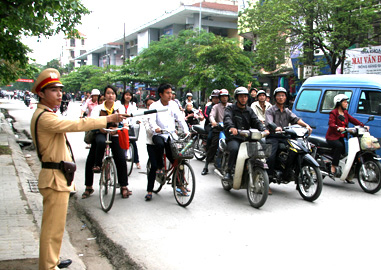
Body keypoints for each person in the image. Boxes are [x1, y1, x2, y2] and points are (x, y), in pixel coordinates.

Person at [30, 69, 126, 270]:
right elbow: (77, 124)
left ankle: (53, 260)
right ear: (41, 93)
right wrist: (108, 119)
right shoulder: (45, 117)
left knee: (56, 227)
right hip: (54, 178)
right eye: (53, 90)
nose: (59, 94)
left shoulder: (47, 114)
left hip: (59, 176)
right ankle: (47, 266)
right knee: (51, 227)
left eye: (60, 90)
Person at [83, 85, 132, 199]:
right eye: (108, 93)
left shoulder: (119, 107)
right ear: (104, 95)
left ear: (116, 96)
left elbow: (126, 121)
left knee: (120, 158)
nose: (111, 95)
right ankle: (89, 184)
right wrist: (101, 129)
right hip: (101, 132)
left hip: (114, 134)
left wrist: (123, 126)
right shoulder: (98, 108)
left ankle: (124, 186)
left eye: (113, 93)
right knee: (92, 155)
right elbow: (94, 121)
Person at [265, 87, 312, 187]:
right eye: (279, 95)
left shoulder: (287, 111)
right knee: (271, 156)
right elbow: (269, 122)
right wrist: (276, 127)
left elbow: (296, 119)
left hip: (285, 137)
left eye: (283, 95)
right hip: (273, 137)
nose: (281, 97)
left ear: (285, 97)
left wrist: (306, 125)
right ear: (275, 97)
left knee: (296, 150)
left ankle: (289, 172)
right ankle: (267, 180)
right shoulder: (270, 110)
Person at [223, 87, 269, 181]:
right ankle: (228, 171)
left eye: (245, 96)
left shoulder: (249, 110)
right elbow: (227, 118)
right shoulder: (230, 108)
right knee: (234, 149)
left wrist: (264, 129)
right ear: (236, 98)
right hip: (234, 137)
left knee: (259, 147)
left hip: (247, 137)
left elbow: (256, 121)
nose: (243, 98)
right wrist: (232, 127)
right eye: (241, 97)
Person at [149, 83, 189, 179]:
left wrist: (186, 130)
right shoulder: (154, 105)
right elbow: (151, 120)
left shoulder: (173, 105)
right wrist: (156, 128)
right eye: (167, 93)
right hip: (159, 134)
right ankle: (160, 166)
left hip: (171, 135)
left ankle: (180, 184)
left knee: (178, 158)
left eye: (171, 93)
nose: (170, 95)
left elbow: (180, 119)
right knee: (160, 144)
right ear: (161, 94)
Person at [325, 94, 366, 182]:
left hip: (341, 137)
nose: (346, 103)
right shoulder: (333, 112)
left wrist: (363, 125)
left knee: (345, 154)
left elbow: (353, 119)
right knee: (339, 147)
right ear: (339, 103)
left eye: (346, 102)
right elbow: (331, 124)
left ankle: (347, 173)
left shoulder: (345, 113)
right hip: (332, 137)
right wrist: (338, 127)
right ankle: (333, 166)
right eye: (344, 102)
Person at [201, 89, 232, 175]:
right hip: (218, 129)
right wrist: (213, 122)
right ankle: (206, 165)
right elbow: (211, 115)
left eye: (226, 96)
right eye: (222, 96)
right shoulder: (215, 107)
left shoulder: (232, 106)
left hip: (230, 130)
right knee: (213, 145)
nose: (224, 98)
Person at [120, 90, 141, 169]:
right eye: (126, 95)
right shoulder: (119, 104)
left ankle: (137, 161)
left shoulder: (133, 105)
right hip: (121, 125)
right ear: (124, 96)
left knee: (133, 143)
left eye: (130, 95)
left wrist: (137, 121)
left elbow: (136, 114)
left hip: (130, 125)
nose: (128, 96)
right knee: (120, 143)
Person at [142, 97, 157, 200]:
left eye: (153, 104)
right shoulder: (146, 116)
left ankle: (180, 185)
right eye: (148, 105)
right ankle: (149, 190)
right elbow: (149, 130)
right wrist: (157, 130)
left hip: (163, 140)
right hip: (151, 143)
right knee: (154, 166)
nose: (151, 106)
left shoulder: (159, 113)